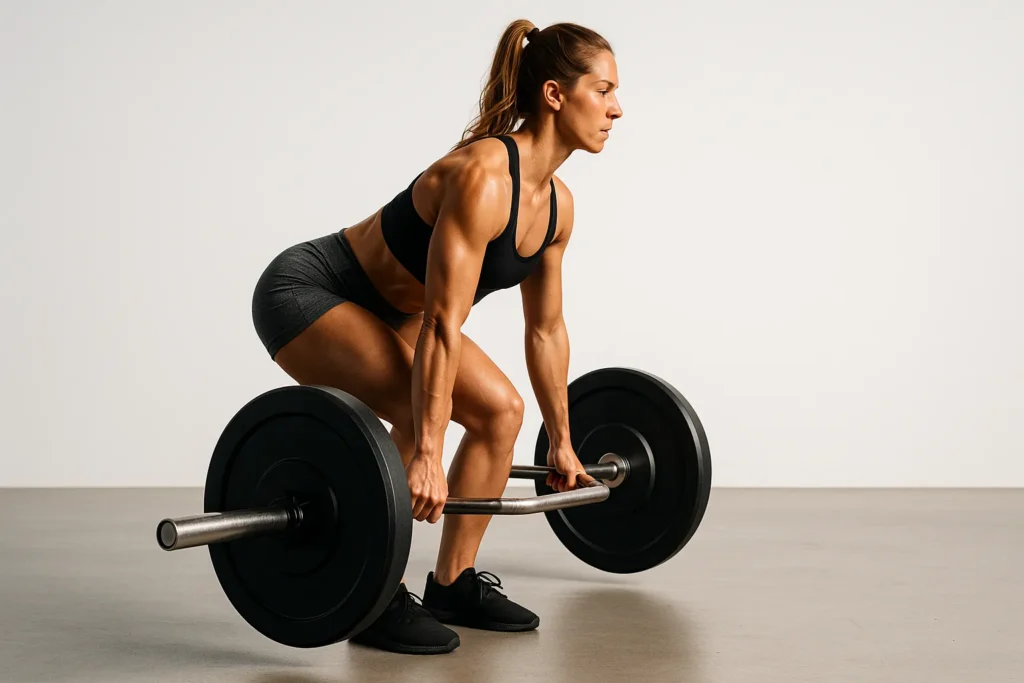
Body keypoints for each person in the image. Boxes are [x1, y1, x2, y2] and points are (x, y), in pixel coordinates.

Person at [251, 19, 622, 655]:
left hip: (399, 311)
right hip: (312, 292)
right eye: (604, 89)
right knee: (420, 403)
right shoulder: (483, 179)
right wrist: (425, 451)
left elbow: (546, 329)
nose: (617, 108)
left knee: (502, 413)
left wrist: (561, 441)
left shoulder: (558, 206)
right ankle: (368, 594)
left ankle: (451, 583)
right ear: (557, 95)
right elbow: (444, 325)